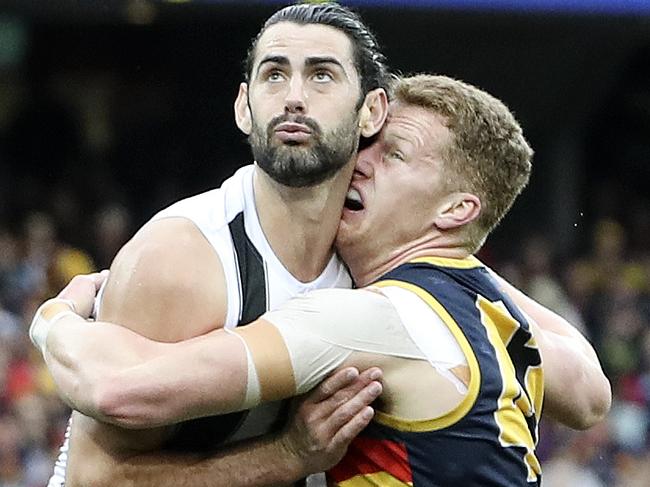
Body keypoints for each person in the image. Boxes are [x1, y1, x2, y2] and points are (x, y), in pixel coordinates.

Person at [32, 74, 611, 486]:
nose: (358, 162)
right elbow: (590, 392)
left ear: (456, 210)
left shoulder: (370, 320)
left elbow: (117, 391)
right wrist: (458, 254)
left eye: (395, 155)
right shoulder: (494, 315)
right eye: (368, 145)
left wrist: (56, 318)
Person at [38, 3, 391, 486]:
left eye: (322, 75)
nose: (293, 97)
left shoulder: (382, 254)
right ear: (244, 108)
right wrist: (287, 456)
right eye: (274, 75)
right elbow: (97, 479)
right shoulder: (180, 259)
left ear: (372, 110)